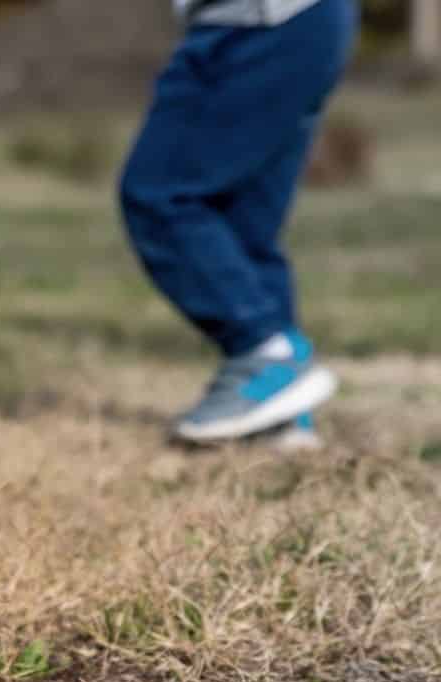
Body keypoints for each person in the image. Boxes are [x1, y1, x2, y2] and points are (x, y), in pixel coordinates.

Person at [120, 0, 358, 446]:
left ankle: (265, 356)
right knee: (243, 222)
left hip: (254, 23)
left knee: (160, 195)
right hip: (312, 19)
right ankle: (278, 415)